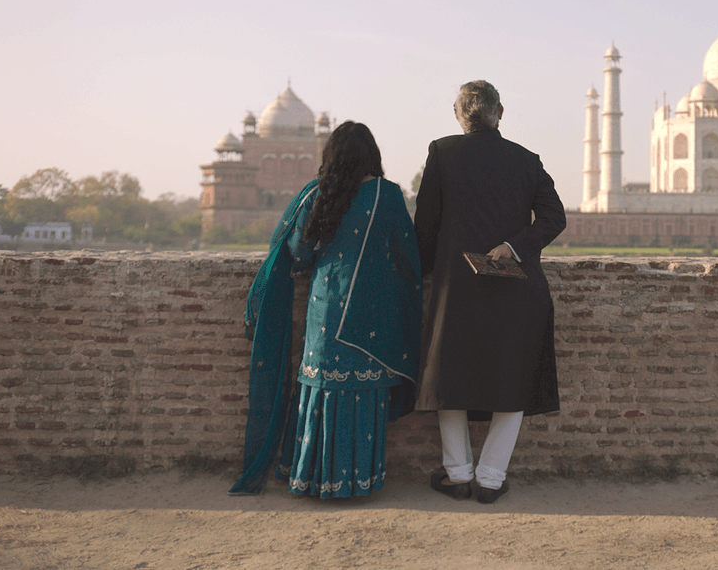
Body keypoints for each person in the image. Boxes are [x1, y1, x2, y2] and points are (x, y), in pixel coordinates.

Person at [229, 121, 421, 497]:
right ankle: (356, 483)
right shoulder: (389, 195)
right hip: (371, 313)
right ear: (373, 155)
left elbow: (297, 255)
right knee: (362, 396)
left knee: (322, 391)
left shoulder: (318, 194)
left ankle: (312, 478)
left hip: (325, 309)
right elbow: (407, 257)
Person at [414, 80, 566, 504]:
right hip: (513, 284)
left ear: (459, 115)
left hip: (455, 286)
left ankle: (458, 474)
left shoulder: (442, 153)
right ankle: (491, 479)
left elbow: (426, 224)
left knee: (449, 375)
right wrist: (515, 246)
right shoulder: (525, 160)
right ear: (501, 112)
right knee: (511, 377)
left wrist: (426, 272)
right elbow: (554, 218)